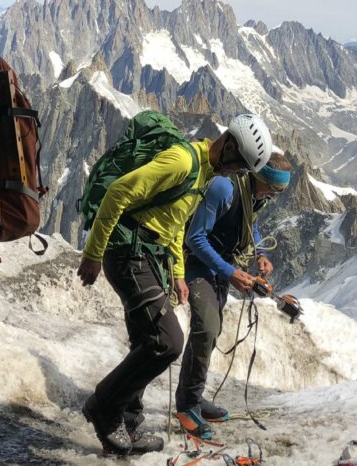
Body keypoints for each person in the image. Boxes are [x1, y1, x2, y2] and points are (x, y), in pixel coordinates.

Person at [76, 113, 272, 457]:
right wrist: (93, 253)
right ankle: (103, 407)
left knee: (145, 339)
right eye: (239, 164)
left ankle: (130, 424)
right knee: (167, 341)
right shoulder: (182, 161)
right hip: (128, 252)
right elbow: (118, 193)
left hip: (148, 255)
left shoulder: (204, 173)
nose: (238, 173)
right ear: (227, 145)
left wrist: (179, 274)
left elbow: (177, 225)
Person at [175, 152, 293, 439]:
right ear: (262, 178)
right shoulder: (223, 188)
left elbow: (249, 222)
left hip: (218, 268)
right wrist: (230, 272)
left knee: (210, 332)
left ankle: (193, 397)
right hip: (197, 264)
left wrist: (261, 254)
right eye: (275, 190)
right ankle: (187, 405)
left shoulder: (255, 195)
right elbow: (195, 237)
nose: (274, 197)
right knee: (207, 327)